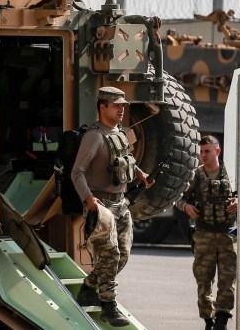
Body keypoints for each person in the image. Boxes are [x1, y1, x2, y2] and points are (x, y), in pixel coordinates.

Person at [71, 86, 152, 327]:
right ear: (102, 106)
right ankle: (108, 305)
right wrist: (89, 199)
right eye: (116, 105)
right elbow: (77, 172)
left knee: (123, 256)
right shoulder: (94, 137)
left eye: (123, 105)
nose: (121, 109)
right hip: (101, 205)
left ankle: (88, 287)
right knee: (110, 254)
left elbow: (126, 160)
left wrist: (140, 174)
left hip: (121, 203)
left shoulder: (119, 132)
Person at [176, 135, 240, 330]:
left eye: (207, 151)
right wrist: (186, 208)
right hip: (204, 235)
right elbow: (179, 198)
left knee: (227, 280)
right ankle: (208, 319)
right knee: (203, 281)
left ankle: (222, 319)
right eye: (201, 152)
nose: (203, 155)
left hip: (227, 236)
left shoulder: (231, 174)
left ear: (217, 152)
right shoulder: (196, 175)